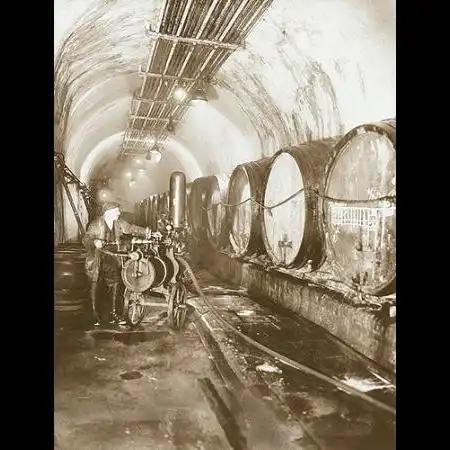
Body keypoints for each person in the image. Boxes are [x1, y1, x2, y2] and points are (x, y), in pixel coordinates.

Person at [83, 202, 150, 327]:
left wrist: (147, 231)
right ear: (108, 212)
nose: (119, 213)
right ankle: (94, 315)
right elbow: (86, 239)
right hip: (98, 259)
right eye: (116, 211)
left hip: (113, 258)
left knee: (115, 284)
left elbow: (131, 228)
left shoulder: (119, 223)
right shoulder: (96, 224)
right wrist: (95, 241)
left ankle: (113, 314)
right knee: (95, 286)